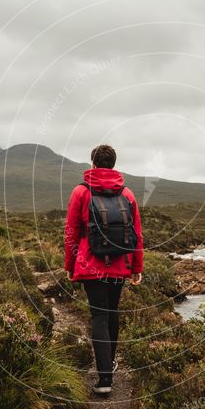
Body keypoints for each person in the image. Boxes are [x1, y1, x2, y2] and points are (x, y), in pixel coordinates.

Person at [65, 144, 143, 396]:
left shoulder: (80, 192)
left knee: (98, 315)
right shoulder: (127, 193)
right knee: (112, 312)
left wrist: (70, 265)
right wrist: (136, 267)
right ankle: (109, 365)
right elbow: (137, 234)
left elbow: (71, 232)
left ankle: (104, 377)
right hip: (120, 264)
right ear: (113, 163)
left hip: (90, 264)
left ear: (93, 162)